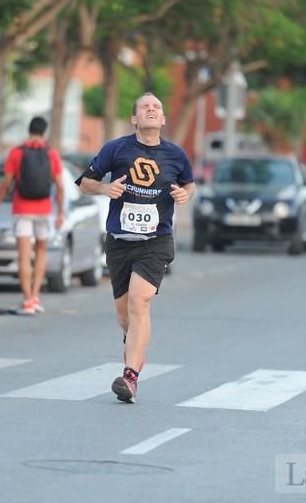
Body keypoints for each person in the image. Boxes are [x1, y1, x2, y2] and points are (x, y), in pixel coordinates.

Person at [75, 93, 195, 403]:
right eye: (145, 107)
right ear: (134, 118)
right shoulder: (115, 149)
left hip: (156, 241)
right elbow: (85, 181)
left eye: (157, 107)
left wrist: (185, 194)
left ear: (163, 119)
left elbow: (189, 184)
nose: (152, 110)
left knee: (140, 303)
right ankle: (133, 343)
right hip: (119, 242)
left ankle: (130, 377)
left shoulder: (176, 154)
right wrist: (105, 188)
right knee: (124, 314)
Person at [0, 117, 64, 314]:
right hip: (44, 210)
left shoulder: (16, 153)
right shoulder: (52, 154)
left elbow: (5, 184)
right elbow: (60, 186)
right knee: (41, 253)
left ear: (29, 130)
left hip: (22, 209)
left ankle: (27, 299)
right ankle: (36, 297)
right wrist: (60, 212)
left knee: (24, 256)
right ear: (44, 132)